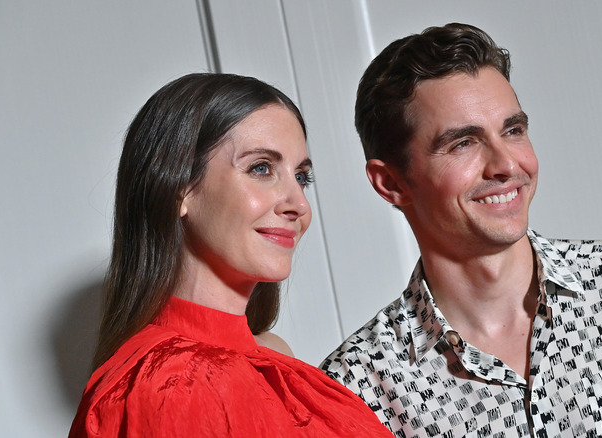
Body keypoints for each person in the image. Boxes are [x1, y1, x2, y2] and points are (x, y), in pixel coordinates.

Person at [320, 23, 602, 437]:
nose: (506, 164)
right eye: (463, 142)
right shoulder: (357, 385)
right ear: (391, 183)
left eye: (513, 131)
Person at [69, 73, 393, 437]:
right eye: (261, 168)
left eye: (301, 177)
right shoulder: (166, 385)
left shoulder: (276, 365)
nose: (299, 205)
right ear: (180, 189)